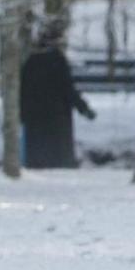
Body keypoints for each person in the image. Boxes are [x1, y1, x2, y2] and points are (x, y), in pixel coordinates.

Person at [20, 25, 95, 169]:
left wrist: (22, 114)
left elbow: (23, 91)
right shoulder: (58, 61)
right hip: (56, 116)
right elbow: (68, 89)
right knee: (57, 155)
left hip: (34, 116)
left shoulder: (30, 62)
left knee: (38, 152)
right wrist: (83, 108)